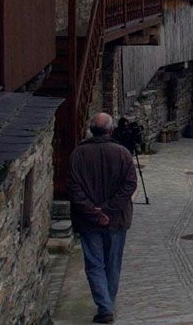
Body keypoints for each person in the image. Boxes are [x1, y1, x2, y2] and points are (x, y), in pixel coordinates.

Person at [68, 113, 138, 324]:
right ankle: (108, 303)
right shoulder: (123, 153)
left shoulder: (78, 154)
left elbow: (73, 188)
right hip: (116, 219)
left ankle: (105, 305)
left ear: (91, 130)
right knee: (112, 262)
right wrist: (108, 209)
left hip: (89, 220)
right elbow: (129, 185)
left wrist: (93, 210)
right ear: (110, 130)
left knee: (94, 263)